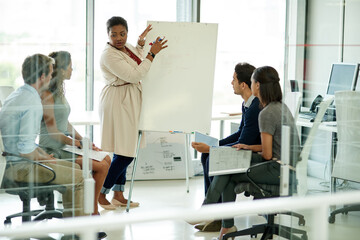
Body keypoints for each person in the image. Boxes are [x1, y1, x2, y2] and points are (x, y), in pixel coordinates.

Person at [200, 66, 301, 240]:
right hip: (284, 165)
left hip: (278, 169)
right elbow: (269, 147)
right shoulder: (279, 107)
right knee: (229, 166)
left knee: (229, 171)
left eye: (253, 81)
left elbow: (268, 155)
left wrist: (247, 150)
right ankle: (224, 225)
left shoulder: (266, 113)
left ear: (257, 86)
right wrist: (248, 148)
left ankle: (209, 211)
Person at [0, 54, 86, 218]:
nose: (52, 76)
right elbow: (26, 152)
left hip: (11, 162)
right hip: (18, 168)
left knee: (75, 168)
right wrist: (47, 159)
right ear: (42, 77)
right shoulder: (32, 103)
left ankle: (72, 228)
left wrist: (45, 156)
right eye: (51, 72)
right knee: (80, 177)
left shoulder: (18, 94)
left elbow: (26, 144)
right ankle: (78, 233)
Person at [98, 16, 168, 209]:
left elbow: (136, 59)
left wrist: (140, 44)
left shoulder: (125, 47)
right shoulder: (109, 54)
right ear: (108, 35)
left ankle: (118, 194)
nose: (119, 38)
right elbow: (135, 73)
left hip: (128, 98)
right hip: (118, 101)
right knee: (127, 152)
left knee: (125, 148)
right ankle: (101, 192)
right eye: (114, 34)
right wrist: (152, 54)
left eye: (122, 33)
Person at [191, 62, 261, 231]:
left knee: (211, 156)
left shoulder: (254, 108)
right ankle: (215, 213)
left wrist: (213, 149)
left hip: (251, 154)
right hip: (244, 148)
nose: (231, 83)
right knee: (206, 155)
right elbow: (239, 134)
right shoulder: (247, 104)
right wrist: (213, 145)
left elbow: (243, 141)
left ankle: (213, 212)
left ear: (243, 84)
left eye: (234, 79)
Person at [39, 51, 111, 215]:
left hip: (64, 146)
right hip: (52, 149)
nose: (72, 70)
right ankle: (92, 210)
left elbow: (65, 123)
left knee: (106, 159)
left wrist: (84, 140)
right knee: (100, 166)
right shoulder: (47, 95)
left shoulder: (59, 92)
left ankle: (90, 208)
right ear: (62, 70)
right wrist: (78, 144)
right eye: (71, 67)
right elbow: (53, 133)